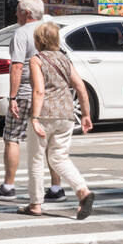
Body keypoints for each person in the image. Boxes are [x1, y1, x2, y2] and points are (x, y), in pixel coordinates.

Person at [0, 0, 62, 199]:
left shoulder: (21, 33)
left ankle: (9, 186)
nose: (15, 12)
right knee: (48, 141)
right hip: (46, 94)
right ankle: (56, 188)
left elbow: (17, 66)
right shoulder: (49, 30)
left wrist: (12, 97)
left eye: (18, 9)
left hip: (26, 94)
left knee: (12, 138)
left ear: (27, 13)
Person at [20, 21, 94, 219]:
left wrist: (34, 117)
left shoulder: (37, 60)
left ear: (39, 41)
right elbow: (80, 86)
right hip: (67, 114)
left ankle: (35, 203)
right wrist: (85, 114)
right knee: (59, 157)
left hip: (44, 113)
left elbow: (39, 90)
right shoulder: (64, 59)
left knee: (36, 158)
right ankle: (82, 191)